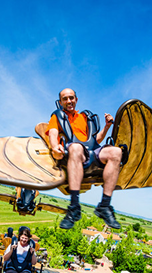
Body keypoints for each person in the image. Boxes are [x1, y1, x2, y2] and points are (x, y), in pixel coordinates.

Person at [47, 88, 122, 230]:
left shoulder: (84, 117)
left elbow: (95, 140)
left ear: (76, 99)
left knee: (116, 152)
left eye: (71, 98)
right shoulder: (57, 116)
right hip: (74, 151)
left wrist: (107, 127)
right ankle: (74, 207)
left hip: (91, 151)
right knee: (76, 148)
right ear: (60, 102)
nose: (69, 101)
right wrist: (54, 146)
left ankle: (104, 206)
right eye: (65, 99)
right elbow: (53, 132)